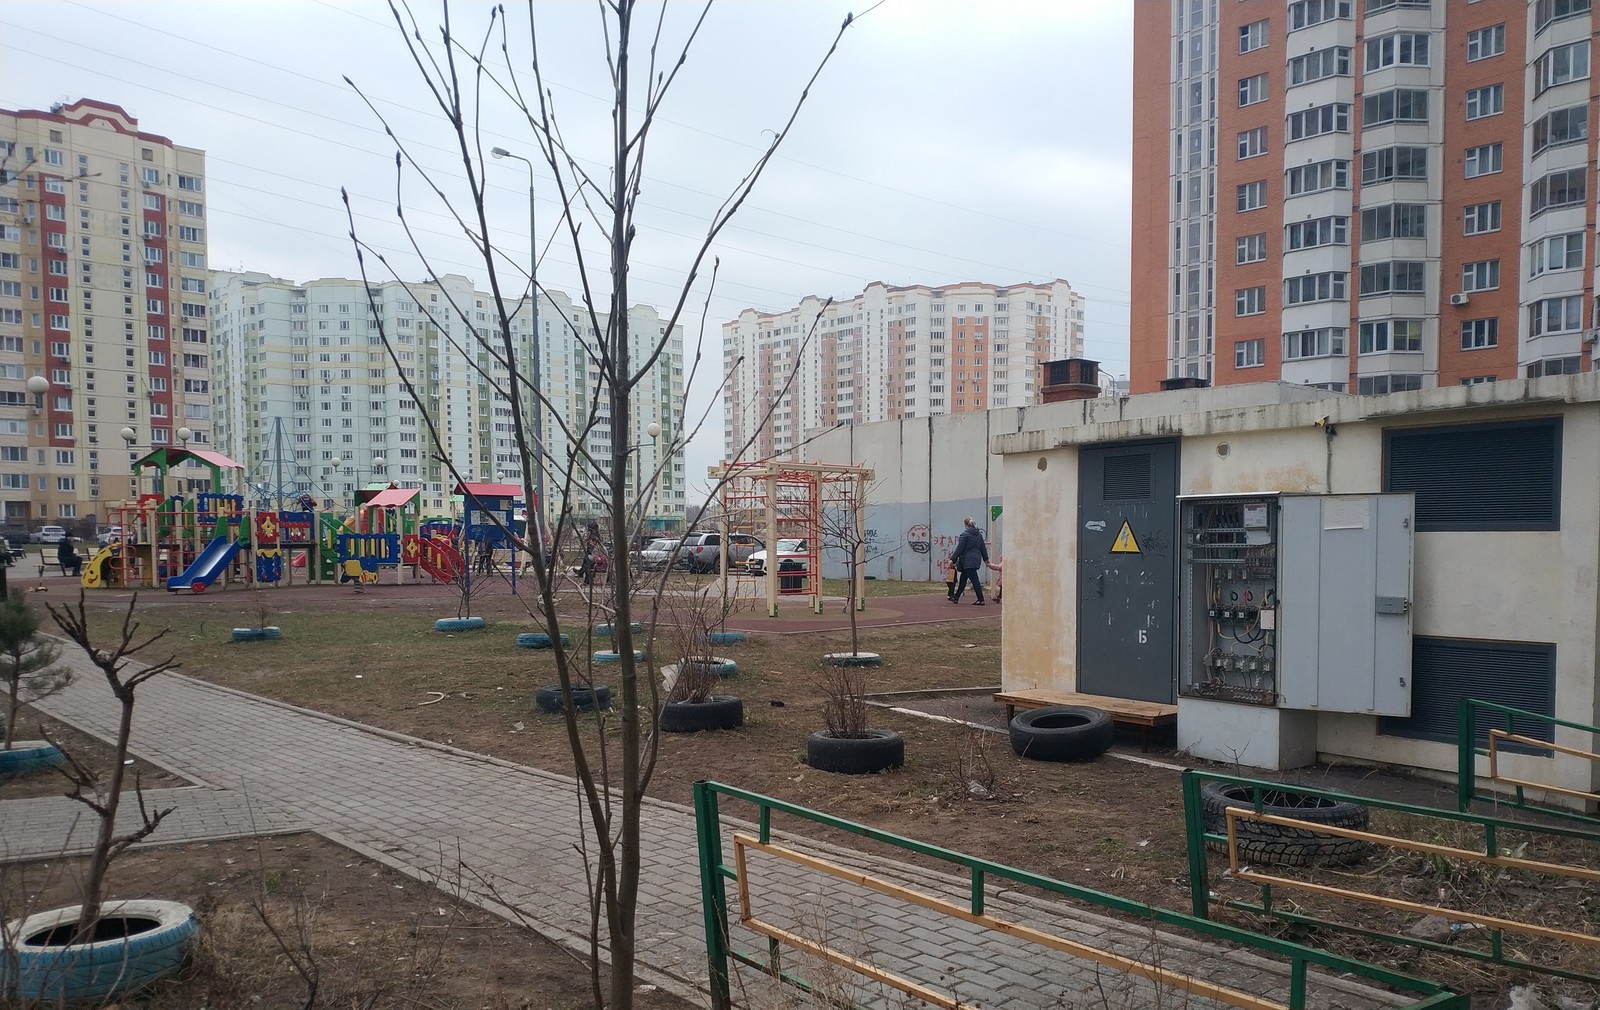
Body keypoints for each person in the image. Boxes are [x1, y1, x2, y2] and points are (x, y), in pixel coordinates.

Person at [949, 516, 989, 606]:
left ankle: (981, 599)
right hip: (976, 560)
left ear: (966, 525)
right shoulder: (979, 535)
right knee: (963, 578)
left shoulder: (965, 535)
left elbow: (959, 548)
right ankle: (956, 597)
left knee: (974, 579)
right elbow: (983, 548)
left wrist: (952, 559)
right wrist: (986, 559)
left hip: (967, 560)